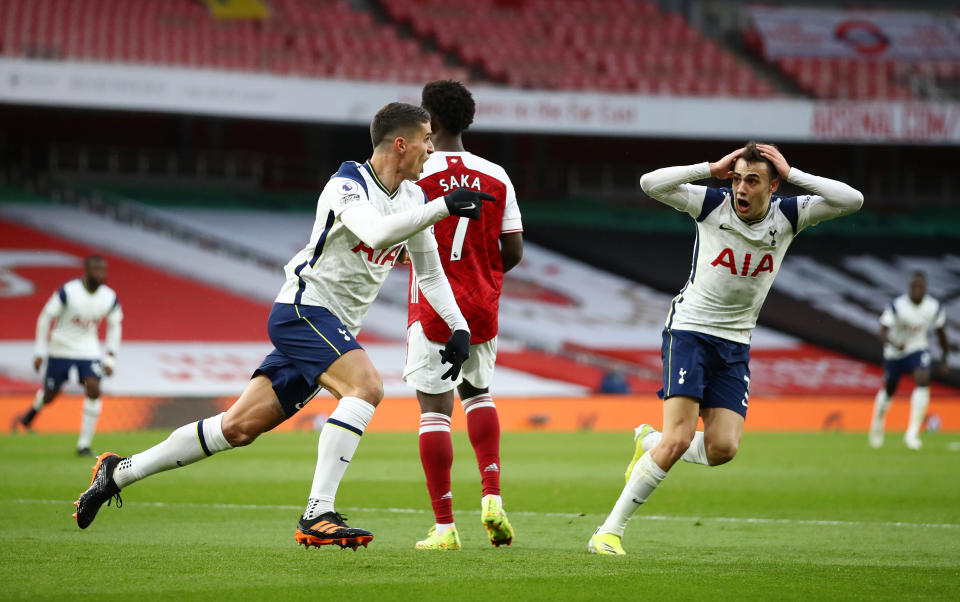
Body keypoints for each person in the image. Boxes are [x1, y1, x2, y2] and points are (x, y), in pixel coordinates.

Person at [74, 102, 495, 551]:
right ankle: (319, 511)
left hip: (330, 327)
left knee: (235, 429)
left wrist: (458, 327)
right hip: (303, 309)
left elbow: (429, 272)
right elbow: (375, 234)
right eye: (427, 139)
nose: (432, 149)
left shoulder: (413, 200)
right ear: (400, 144)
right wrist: (443, 208)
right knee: (366, 387)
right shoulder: (347, 185)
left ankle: (117, 472)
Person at [588, 142, 864, 555]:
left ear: (773, 187)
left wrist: (794, 175)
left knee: (723, 449)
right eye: (738, 179)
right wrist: (710, 168)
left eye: (753, 181)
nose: (741, 188)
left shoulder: (789, 215)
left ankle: (649, 443)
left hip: (735, 342)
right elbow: (649, 184)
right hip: (690, 331)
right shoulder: (711, 204)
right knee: (679, 439)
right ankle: (609, 532)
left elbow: (853, 200)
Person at [402, 81, 523, 551]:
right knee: (479, 394)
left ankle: (446, 527)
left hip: (433, 306)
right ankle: (492, 495)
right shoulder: (496, 174)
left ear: (428, 120)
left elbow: (392, 238)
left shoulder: (415, 172)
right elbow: (512, 249)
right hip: (482, 304)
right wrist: (481, 271)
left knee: (434, 413)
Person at [13, 255, 122, 456]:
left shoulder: (109, 296)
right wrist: (39, 351)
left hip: (88, 349)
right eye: (96, 270)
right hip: (60, 348)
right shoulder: (68, 291)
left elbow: (115, 326)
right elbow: (46, 317)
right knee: (50, 395)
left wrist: (110, 357)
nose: (100, 275)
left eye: (103, 271)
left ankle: (84, 445)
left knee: (94, 388)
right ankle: (30, 415)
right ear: (86, 271)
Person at [869, 272, 949, 450]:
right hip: (894, 353)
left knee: (923, 379)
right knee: (890, 389)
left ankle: (912, 434)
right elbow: (880, 333)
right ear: (909, 287)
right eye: (914, 287)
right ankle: (878, 421)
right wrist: (894, 344)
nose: (917, 290)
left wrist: (944, 359)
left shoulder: (933, 307)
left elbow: (942, 334)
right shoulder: (897, 306)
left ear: (925, 288)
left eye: (920, 287)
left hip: (916, 349)